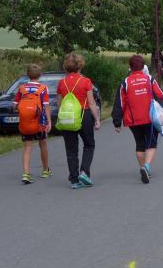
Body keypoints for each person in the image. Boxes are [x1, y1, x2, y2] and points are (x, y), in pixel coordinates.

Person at [112, 55, 163, 184]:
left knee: (140, 143)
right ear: (143, 66)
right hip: (150, 117)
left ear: (130, 67)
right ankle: (146, 167)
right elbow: (160, 95)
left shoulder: (125, 82)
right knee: (151, 143)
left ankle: (144, 169)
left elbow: (119, 103)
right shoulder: (149, 79)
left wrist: (117, 122)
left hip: (133, 119)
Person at [57, 53, 101, 189]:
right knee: (89, 145)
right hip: (84, 115)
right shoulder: (86, 81)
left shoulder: (61, 83)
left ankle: (74, 180)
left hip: (67, 117)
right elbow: (92, 103)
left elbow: (59, 104)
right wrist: (97, 119)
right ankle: (84, 172)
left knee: (71, 150)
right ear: (80, 66)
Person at [13, 64, 52, 185]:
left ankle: (26, 174)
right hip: (40, 122)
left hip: (26, 123)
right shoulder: (43, 88)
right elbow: (46, 106)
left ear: (27, 74)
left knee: (27, 147)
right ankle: (45, 170)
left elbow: (15, 106)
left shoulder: (21, 88)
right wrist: (49, 121)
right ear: (40, 75)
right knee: (43, 144)